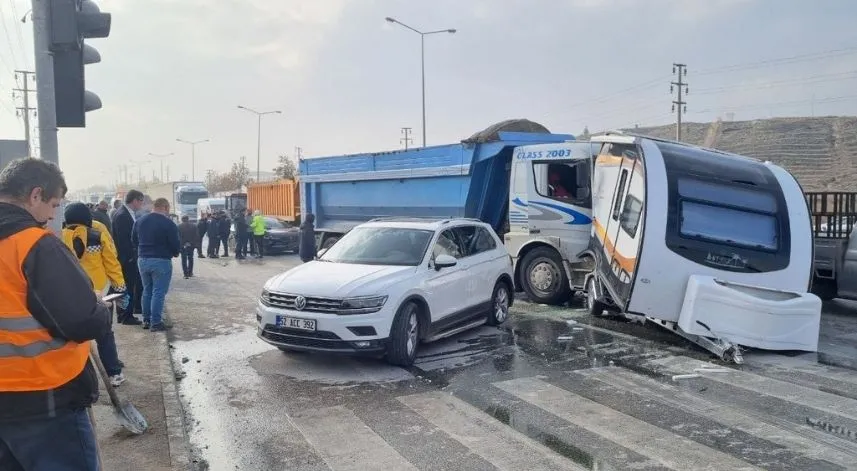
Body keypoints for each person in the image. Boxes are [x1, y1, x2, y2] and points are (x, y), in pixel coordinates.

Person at [0, 158, 112, 471]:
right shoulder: (34, 244)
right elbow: (81, 321)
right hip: (42, 399)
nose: (52, 216)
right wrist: (101, 308)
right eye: (52, 204)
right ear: (35, 195)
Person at [61, 202, 129, 387]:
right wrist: (120, 286)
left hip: (71, 294)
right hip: (101, 293)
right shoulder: (98, 232)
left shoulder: (58, 235)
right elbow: (111, 260)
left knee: (73, 336)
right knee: (105, 333)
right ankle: (114, 373)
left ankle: (73, 377)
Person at [132, 197, 180, 331]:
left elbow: (134, 239)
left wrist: (142, 251)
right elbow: (175, 243)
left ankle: (146, 320)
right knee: (158, 292)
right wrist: (175, 253)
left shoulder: (140, 221)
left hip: (142, 260)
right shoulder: (168, 223)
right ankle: (156, 322)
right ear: (165, 207)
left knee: (147, 290)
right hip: (161, 260)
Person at [111, 190, 145, 325]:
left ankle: (124, 314)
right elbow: (124, 240)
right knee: (127, 288)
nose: (142, 204)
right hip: (126, 259)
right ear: (135, 200)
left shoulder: (126, 213)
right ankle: (125, 316)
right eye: (141, 201)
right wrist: (131, 257)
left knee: (126, 288)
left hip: (127, 258)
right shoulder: (123, 215)